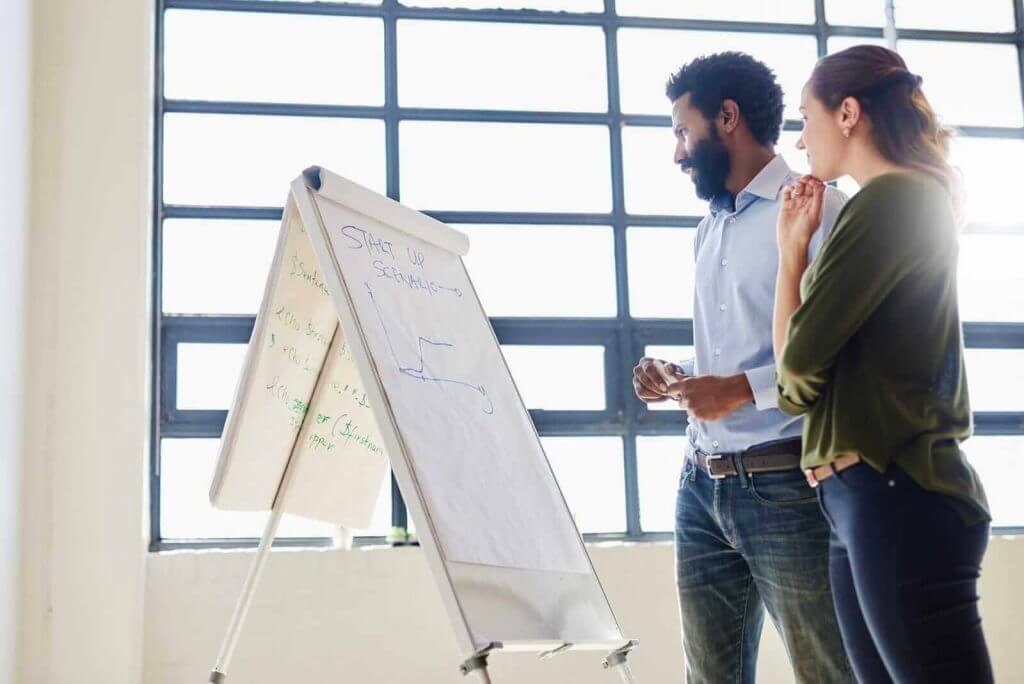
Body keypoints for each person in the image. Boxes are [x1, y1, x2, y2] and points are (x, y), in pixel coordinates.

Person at [773, 44, 994, 683]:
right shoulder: (889, 202)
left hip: (896, 491)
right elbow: (795, 379)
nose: (801, 136)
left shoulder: (895, 200)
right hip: (859, 497)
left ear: (847, 113)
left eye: (805, 116)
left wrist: (796, 283)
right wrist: (793, 254)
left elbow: (797, 369)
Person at [632, 52, 853, 683]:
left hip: (786, 487)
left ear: (727, 117)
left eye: (682, 131)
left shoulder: (821, 211)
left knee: (828, 672)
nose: (678, 153)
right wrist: (677, 370)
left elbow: (836, 356)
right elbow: (737, 347)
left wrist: (739, 392)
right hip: (699, 486)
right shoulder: (709, 230)